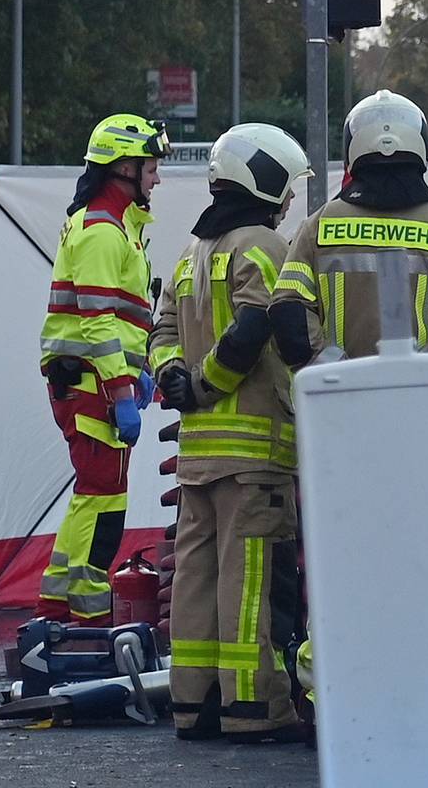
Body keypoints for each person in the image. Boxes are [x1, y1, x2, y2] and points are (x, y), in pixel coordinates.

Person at [151, 122, 311, 744]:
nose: (290, 200)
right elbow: (255, 326)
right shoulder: (264, 245)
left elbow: (162, 332)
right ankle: (254, 707)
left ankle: (193, 705)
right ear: (265, 180)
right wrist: (207, 383)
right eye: (287, 187)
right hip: (254, 455)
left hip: (198, 455)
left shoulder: (193, 252)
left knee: (195, 580)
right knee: (252, 584)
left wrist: (176, 380)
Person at [37, 113, 165, 624]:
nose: (157, 178)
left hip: (95, 383)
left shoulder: (110, 226)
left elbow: (119, 318)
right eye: (151, 167)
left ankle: (56, 611)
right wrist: (123, 391)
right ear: (124, 168)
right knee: (104, 503)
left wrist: (138, 371)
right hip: (94, 386)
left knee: (92, 497)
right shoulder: (103, 231)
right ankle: (87, 619)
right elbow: (97, 320)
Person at [270, 89, 428, 368]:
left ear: (352, 151)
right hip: (424, 390)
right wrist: (424, 371)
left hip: (336, 391)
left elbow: (288, 311)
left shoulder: (317, 226)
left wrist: (333, 370)